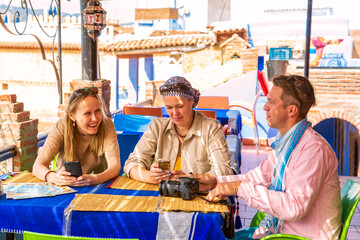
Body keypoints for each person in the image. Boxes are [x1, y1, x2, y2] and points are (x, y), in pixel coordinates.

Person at [194, 75, 342, 240]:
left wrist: (237, 188)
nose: (265, 107)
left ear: (292, 110)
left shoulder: (313, 149)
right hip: (281, 232)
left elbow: (294, 207)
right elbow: (257, 177)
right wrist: (215, 182)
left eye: (271, 102)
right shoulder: (288, 144)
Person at [123, 76, 233, 184]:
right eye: (169, 108)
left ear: (192, 102)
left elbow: (224, 171)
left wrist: (189, 181)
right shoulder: (157, 127)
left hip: (197, 196)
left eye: (179, 106)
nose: (174, 113)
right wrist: (150, 176)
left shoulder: (211, 128)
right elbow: (131, 163)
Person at [33, 87, 121, 187]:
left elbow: (115, 166)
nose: (95, 118)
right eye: (87, 113)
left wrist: (96, 179)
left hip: (98, 186)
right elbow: (38, 166)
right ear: (71, 116)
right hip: (66, 186)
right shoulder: (62, 126)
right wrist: (53, 177)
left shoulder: (106, 124)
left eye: (97, 111)